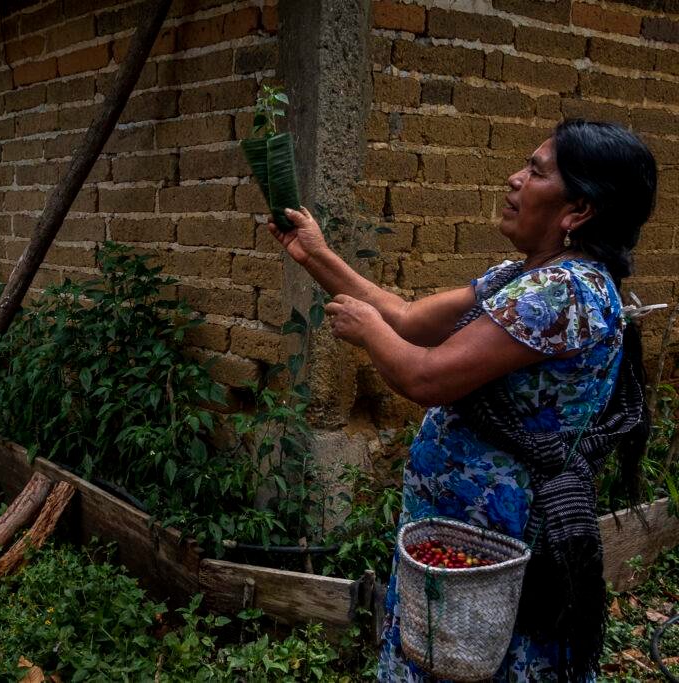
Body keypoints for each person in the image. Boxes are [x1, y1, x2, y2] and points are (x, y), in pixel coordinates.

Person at [269, 119, 656, 681]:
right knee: (450, 649)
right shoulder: (518, 277)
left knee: (483, 657)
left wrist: (366, 331)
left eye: (536, 172)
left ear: (578, 210)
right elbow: (407, 317)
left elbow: (428, 377)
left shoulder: (561, 292)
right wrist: (316, 254)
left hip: (499, 529)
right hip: (460, 523)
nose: (514, 178)